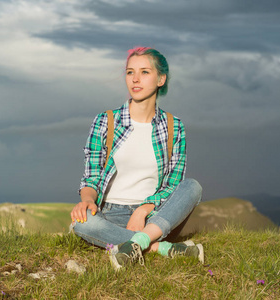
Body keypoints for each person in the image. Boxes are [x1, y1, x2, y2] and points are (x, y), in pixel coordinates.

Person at [70, 47, 203, 270]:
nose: (135, 79)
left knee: (192, 187)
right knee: (82, 224)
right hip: (111, 214)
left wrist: (143, 211)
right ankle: (160, 247)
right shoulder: (105, 121)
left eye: (145, 72)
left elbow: (172, 185)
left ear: (161, 79)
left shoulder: (174, 127)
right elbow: (91, 177)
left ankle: (139, 240)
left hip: (155, 215)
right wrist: (87, 200)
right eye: (130, 72)